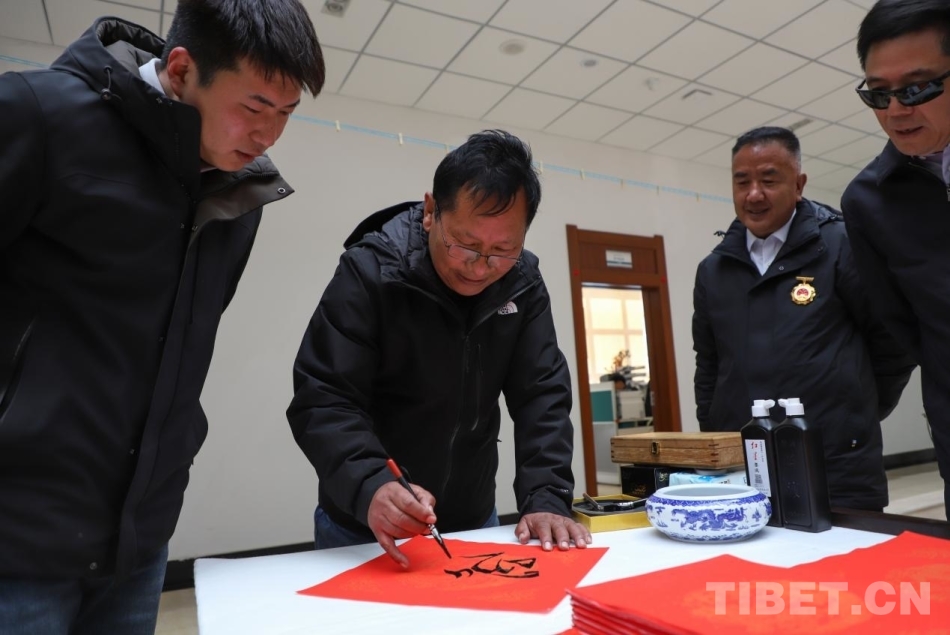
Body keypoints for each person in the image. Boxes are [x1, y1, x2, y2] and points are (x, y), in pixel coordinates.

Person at [0, 1, 324, 632]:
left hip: (139, 540)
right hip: (18, 538)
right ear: (180, 70)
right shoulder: (39, 116)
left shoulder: (237, 193)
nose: (268, 135)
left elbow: (179, 350)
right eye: (255, 107)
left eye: (286, 113)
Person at [287, 129, 590, 568]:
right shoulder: (372, 272)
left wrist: (546, 495)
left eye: (503, 250)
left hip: (473, 519)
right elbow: (324, 396)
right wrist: (372, 483)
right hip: (365, 522)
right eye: (465, 244)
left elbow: (541, 395)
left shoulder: (521, 284)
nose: (480, 267)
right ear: (431, 212)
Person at [692, 126, 914, 511]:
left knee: (844, 552)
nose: (753, 194)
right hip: (745, 465)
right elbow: (709, 364)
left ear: (798, 184)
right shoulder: (713, 269)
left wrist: (857, 411)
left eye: (769, 180)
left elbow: (893, 341)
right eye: (742, 182)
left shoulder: (842, 245)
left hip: (836, 462)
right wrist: (714, 431)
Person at [841, 0, 950, 516]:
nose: (896, 111)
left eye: (917, 88)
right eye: (878, 94)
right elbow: (901, 325)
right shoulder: (868, 201)